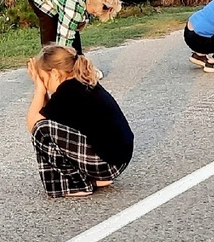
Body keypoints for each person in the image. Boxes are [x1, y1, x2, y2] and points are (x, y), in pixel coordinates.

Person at [25, 44, 133, 198]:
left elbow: (34, 125)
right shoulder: (79, 84)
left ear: (54, 74)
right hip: (117, 160)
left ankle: (77, 184)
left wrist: (39, 90)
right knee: (47, 127)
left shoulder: (67, 92)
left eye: (43, 78)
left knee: (42, 131)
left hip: (107, 162)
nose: (43, 84)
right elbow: (49, 115)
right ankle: (96, 178)